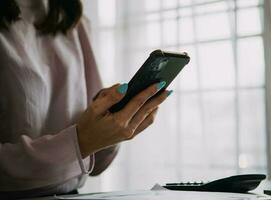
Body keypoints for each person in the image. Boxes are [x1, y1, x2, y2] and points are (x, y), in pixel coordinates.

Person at [0, 0, 172, 198]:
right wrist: (81, 143)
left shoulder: (75, 22)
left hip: (71, 195)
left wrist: (112, 128)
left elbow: (96, 164)